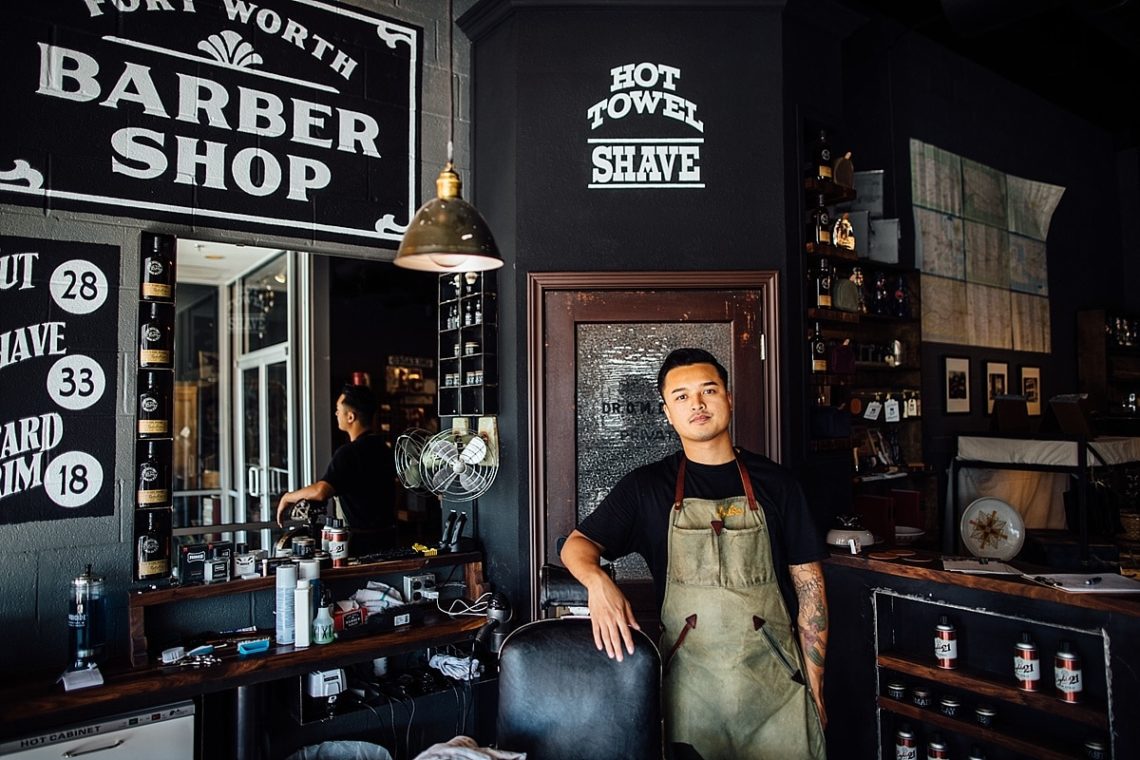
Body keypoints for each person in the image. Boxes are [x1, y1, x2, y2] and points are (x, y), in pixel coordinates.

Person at [561, 348, 828, 760]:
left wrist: (815, 688)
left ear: (728, 398)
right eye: (682, 396)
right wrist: (598, 583)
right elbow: (576, 546)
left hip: (778, 690)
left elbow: (810, 589)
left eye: (708, 390)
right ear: (668, 413)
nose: (697, 404)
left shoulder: (779, 484)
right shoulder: (646, 487)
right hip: (689, 693)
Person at [276, 383, 397, 555]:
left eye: (338, 409)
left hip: (361, 547)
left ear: (350, 417)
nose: (336, 414)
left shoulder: (348, 453)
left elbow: (321, 491)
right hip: (389, 541)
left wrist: (288, 497)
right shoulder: (383, 448)